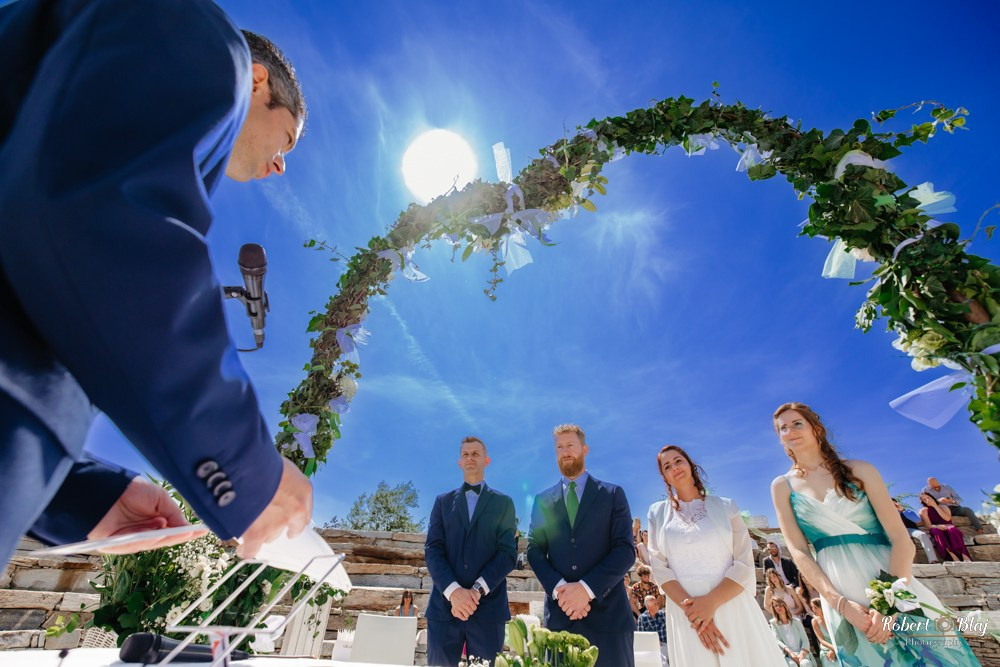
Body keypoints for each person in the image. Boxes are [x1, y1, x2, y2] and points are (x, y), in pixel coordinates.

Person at [0, 0, 313, 570]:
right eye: (287, 139)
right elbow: (101, 223)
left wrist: (79, 493)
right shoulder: (205, 41)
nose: (280, 167)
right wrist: (245, 466)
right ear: (257, 80)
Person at [770, 402, 981, 665]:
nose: (790, 431)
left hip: (891, 581)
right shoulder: (782, 486)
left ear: (816, 428)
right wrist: (840, 604)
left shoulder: (860, 470)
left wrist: (889, 603)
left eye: (797, 424)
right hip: (840, 592)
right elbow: (799, 551)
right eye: (782, 428)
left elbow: (901, 539)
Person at [647, 445, 786, 666]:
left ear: (691, 465)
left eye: (678, 461)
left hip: (729, 602)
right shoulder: (657, 513)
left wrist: (710, 603)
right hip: (686, 612)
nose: (674, 467)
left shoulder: (726, 507)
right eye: (667, 466)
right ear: (664, 477)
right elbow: (659, 567)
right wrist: (695, 613)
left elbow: (743, 562)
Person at [527, 424, 636, 667]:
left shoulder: (612, 494)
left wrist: (586, 590)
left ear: (584, 449)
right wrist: (561, 591)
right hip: (561, 620)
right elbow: (534, 550)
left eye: (570, 445)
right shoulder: (542, 500)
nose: (565, 451)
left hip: (609, 621)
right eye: (559, 447)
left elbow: (625, 550)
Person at [424, 436, 517, 667]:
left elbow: (507, 554)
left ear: (486, 460)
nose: (470, 458)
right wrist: (454, 592)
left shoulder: (504, 503)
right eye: (465, 454)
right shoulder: (442, 502)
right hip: (444, 610)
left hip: (488, 611)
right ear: (459, 462)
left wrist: (476, 591)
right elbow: (433, 550)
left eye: (475, 453)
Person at [918, 492, 973, 562]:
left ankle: (964, 555)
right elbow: (928, 525)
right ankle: (953, 556)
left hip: (948, 525)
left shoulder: (943, 507)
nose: (927, 500)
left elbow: (947, 519)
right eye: (924, 499)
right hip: (935, 527)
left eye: (928, 498)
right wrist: (937, 526)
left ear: (932, 498)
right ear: (922, 502)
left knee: (952, 529)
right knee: (937, 532)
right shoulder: (923, 511)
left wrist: (935, 506)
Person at [769, 598, 815, 667]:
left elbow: (805, 640)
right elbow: (777, 640)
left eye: (780, 605)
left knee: (805, 663)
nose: (778, 607)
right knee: (792, 665)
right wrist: (791, 653)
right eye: (775, 606)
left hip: (801, 653)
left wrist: (802, 654)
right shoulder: (773, 623)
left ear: (785, 606)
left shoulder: (796, 621)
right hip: (787, 655)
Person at [893, 497, 939, 563]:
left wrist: (902, 510)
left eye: (894, 503)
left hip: (909, 529)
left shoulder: (906, 511)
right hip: (896, 532)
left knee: (922, 535)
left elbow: (917, 520)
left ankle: (933, 560)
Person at [636, 594, 669, 666]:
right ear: (649, 607)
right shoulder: (642, 618)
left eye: (657, 603)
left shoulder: (663, 614)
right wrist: (654, 641)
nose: (658, 605)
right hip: (655, 647)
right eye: (655, 604)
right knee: (662, 662)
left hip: (668, 643)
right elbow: (642, 637)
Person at [808, 598, 838, 667]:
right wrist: (834, 649)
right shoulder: (814, 621)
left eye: (816, 607)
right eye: (812, 607)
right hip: (826, 650)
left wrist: (836, 650)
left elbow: (838, 636)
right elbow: (822, 641)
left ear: (822, 607)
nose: (813, 610)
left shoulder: (832, 618)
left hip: (839, 647)